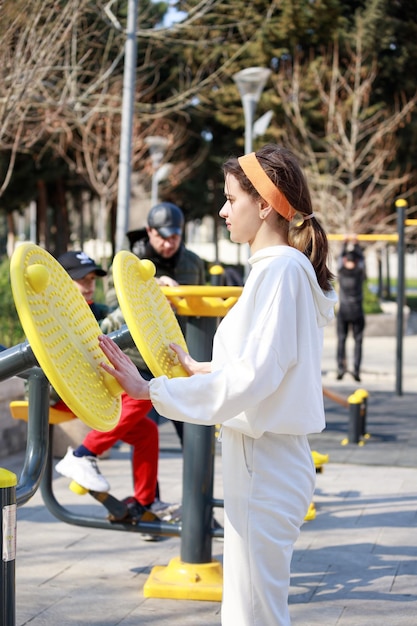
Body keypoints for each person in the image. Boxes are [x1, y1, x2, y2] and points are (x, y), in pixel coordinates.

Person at [98, 144, 338, 626]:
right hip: (266, 461)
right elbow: (265, 364)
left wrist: (152, 392)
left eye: (232, 199)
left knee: (253, 614)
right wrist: (199, 367)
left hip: (264, 463)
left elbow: (256, 376)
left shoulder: (281, 271)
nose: (223, 210)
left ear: (265, 205)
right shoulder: (282, 270)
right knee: (253, 608)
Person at [54, 251, 166, 525]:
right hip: (59, 391)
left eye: (92, 278)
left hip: (88, 388)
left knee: (147, 431)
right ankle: (82, 456)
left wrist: (152, 297)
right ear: (64, 282)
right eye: (82, 279)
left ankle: (145, 501)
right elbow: (92, 342)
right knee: (141, 396)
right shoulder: (56, 312)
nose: (89, 284)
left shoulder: (96, 309)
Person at [106, 201, 206, 446]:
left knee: (195, 435)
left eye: (175, 236)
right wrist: (150, 290)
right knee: (146, 436)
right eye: (163, 236)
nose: (169, 243)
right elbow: (112, 302)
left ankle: (195, 484)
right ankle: (149, 488)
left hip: (178, 360)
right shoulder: (129, 263)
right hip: (139, 361)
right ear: (149, 230)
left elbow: (201, 307)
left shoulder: (193, 263)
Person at [336, 237, 366, 382]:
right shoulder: (359, 272)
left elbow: (340, 258)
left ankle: (341, 368)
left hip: (344, 311)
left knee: (342, 340)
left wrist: (344, 244)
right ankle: (356, 369)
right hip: (357, 311)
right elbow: (361, 260)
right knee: (358, 341)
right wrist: (356, 245)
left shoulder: (341, 272)